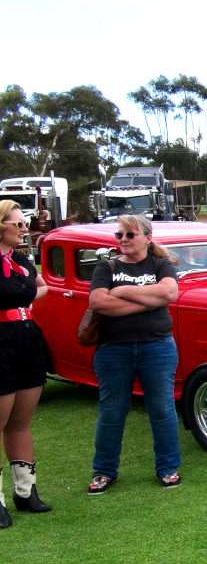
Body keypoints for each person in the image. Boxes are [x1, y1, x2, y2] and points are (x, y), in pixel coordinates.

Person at [87, 215, 181, 494]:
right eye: (120, 235)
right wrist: (150, 301)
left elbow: (170, 292)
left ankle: (168, 467)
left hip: (157, 347)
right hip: (113, 349)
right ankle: (104, 471)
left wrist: (125, 290)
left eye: (130, 234)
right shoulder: (107, 267)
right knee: (112, 411)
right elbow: (99, 302)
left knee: (162, 409)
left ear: (147, 237)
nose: (124, 240)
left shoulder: (160, 264)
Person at [0, 200, 52, 528]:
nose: (24, 229)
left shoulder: (20, 261)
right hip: (0, 340)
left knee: (21, 420)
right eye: (17, 224)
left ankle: (25, 490)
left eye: (25, 223)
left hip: (27, 336)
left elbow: (37, 288)